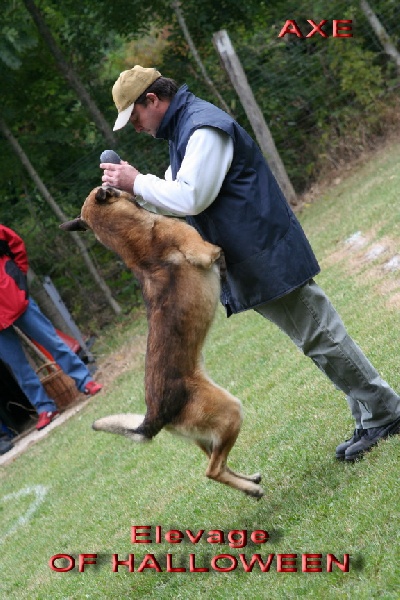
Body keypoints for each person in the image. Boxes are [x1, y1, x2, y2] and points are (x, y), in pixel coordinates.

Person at [100, 65, 400, 461]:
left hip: (265, 249)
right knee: (315, 339)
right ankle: (370, 416)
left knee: (321, 336)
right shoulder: (184, 131)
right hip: (253, 254)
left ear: (152, 100)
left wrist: (137, 181)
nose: (136, 127)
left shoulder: (203, 128)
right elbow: (175, 191)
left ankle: (386, 413)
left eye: (134, 117)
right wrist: (135, 194)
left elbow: (193, 198)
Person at [0, 224, 103, 431]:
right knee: (18, 366)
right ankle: (45, 408)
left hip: (17, 299)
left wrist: (17, 277)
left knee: (52, 342)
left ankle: (85, 381)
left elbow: (16, 244)